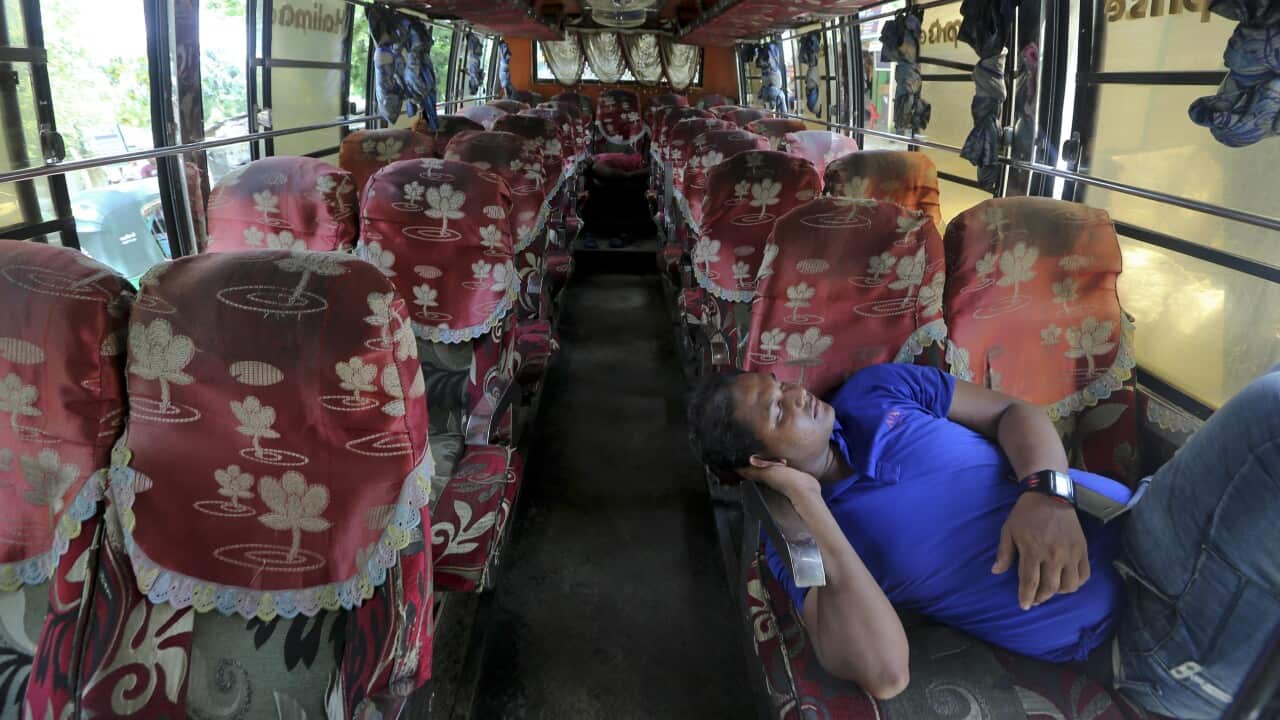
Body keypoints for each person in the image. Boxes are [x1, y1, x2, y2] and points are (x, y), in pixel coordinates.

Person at [687, 363, 1280, 718]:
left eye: (782, 384)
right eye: (777, 410)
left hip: (1145, 516)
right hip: (1144, 631)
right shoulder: (797, 540)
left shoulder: (874, 391)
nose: (796, 394)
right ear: (763, 462)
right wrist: (811, 504)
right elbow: (885, 673)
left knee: (1270, 407)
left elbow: (1012, 413)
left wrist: (1045, 493)